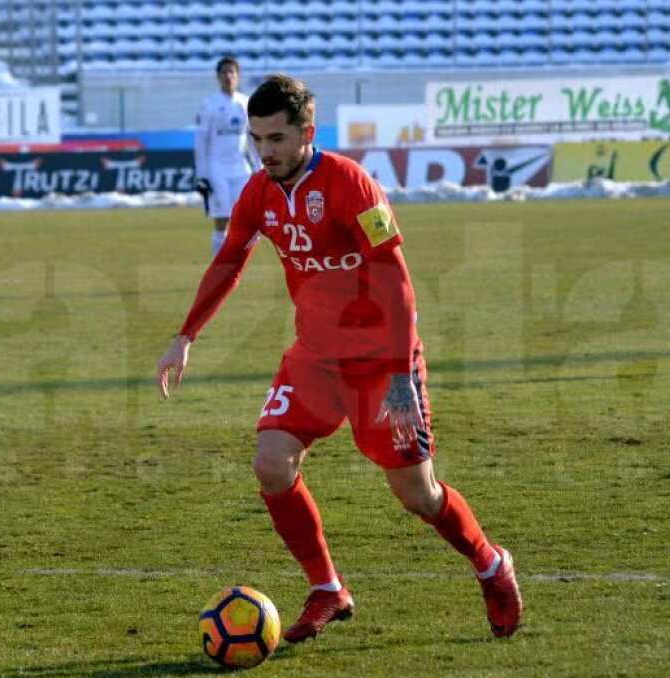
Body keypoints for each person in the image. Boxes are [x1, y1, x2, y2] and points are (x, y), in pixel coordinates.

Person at [156, 74, 522, 643]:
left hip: (381, 365)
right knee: (271, 464)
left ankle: (491, 564)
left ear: (308, 132)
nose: (265, 152)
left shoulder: (350, 184)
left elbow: (396, 283)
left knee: (416, 495)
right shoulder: (258, 193)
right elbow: (228, 260)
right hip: (315, 361)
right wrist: (186, 335)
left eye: (276, 139)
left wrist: (402, 376)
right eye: (257, 139)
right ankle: (327, 587)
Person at [194, 56, 261, 257]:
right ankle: (220, 266)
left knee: (248, 218)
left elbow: (253, 139)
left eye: (232, 72)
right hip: (217, 168)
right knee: (222, 217)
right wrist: (202, 174)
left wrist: (259, 168)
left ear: (238, 76)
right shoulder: (209, 104)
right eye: (224, 72)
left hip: (241, 167)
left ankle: (239, 261)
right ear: (218, 77)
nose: (228, 76)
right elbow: (201, 141)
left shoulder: (246, 103)